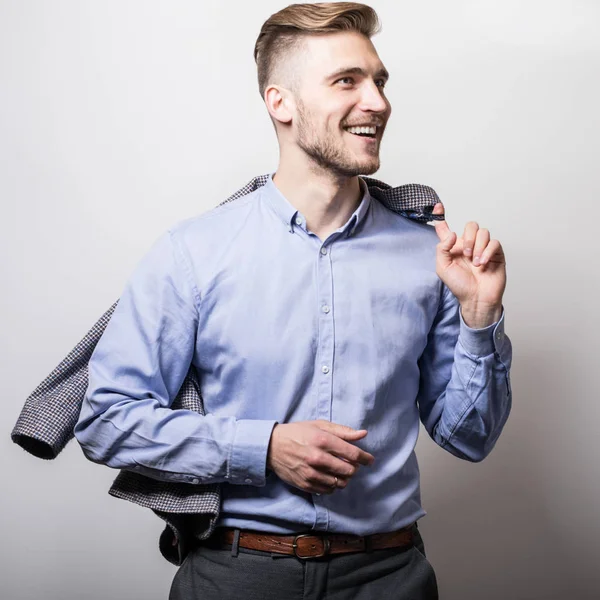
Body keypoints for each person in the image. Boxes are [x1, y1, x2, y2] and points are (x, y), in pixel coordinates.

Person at [74, 3, 513, 599]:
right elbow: (104, 420)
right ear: (280, 103)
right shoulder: (193, 253)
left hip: (390, 577)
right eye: (346, 82)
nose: (378, 102)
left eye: (379, 81)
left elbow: (470, 437)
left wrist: (480, 318)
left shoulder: (429, 254)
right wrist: (264, 447)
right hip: (235, 576)